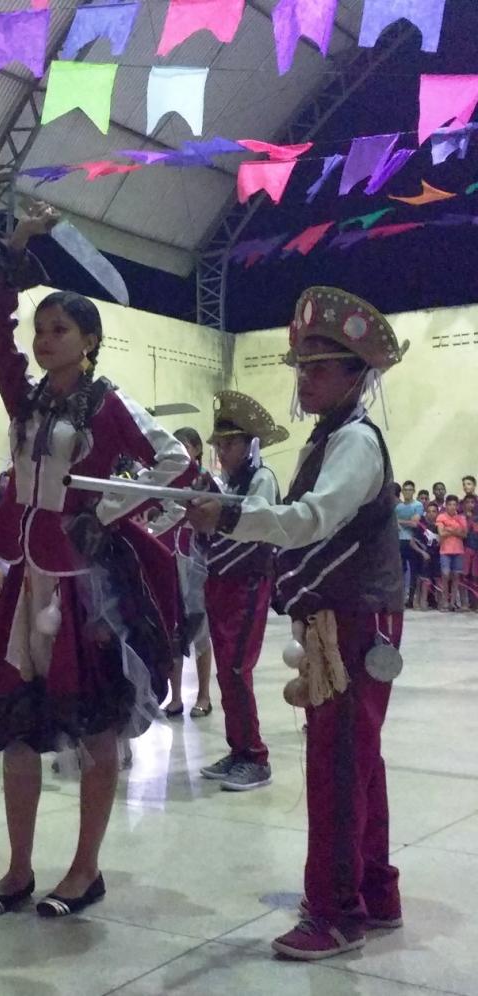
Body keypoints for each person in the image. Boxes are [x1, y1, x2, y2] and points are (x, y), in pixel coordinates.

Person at [0, 202, 190, 922]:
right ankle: (17, 868)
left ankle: (85, 869)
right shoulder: (25, 397)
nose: (42, 340)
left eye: (59, 330)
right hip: (26, 581)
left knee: (94, 726)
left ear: (88, 341)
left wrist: (105, 513)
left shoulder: (109, 402)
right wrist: (17, 247)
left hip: (84, 589)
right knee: (17, 726)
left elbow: (173, 460)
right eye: (40, 330)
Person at [189, 285, 408, 961]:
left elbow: (312, 521)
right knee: (357, 761)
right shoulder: (336, 437)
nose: (304, 376)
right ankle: (374, 892)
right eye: (302, 365)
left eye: (319, 366)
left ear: (356, 374)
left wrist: (227, 516)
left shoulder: (356, 443)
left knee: (338, 766)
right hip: (346, 618)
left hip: (356, 622)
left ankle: (337, 912)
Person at [197, 392, 288, 792]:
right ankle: (238, 750)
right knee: (226, 672)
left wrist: (213, 520)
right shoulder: (230, 481)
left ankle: (255, 756)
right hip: (221, 584)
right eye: (218, 445)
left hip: (249, 583)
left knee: (236, 669)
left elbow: (252, 531)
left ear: (250, 445)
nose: (221, 451)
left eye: (229, 444)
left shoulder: (261, 479)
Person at [154, 427, 214, 720]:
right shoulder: (166, 477)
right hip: (169, 554)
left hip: (195, 558)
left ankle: (204, 694)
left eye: (184, 445)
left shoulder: (206, 481)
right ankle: (175, 696)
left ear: (197, 449)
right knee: (173, 628)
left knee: (199, 626)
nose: (178, 450)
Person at [435, 495, 467, 611]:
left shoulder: (461, 518)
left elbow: (464, 534)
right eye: (450, 504)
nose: (452, 507)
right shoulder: (441, 516)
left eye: (454, 504)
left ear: (457, 506)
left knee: (456, 577)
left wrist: (449, 529)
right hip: (445, 550)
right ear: (446, 505)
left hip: (458, 550)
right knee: (445, 575)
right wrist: (455, 531)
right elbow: (441, 533)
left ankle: (452, 603)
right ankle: (444, 602)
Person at [395, 481, 424, 596]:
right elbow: (394, 524)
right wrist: (402, 522)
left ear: (413, 491)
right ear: (402, 492)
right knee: (400, 570)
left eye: (410, 489)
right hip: (399, 541)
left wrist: (399, 521)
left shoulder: (417, 505)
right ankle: (401, 597)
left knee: (414, 571)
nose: (407, 492)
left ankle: (413, 598)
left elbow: (414, 524)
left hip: (413, 542)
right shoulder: (398, 507)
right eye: (405, 490)